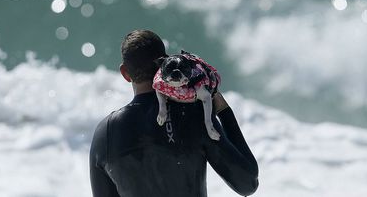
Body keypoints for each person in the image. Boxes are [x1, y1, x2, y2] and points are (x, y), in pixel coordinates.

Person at [89, 29, 259, 197]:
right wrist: (222, 108)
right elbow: (247, 183)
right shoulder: (194, 113)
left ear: (125, 73)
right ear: (164, 65)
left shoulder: (105, 133)